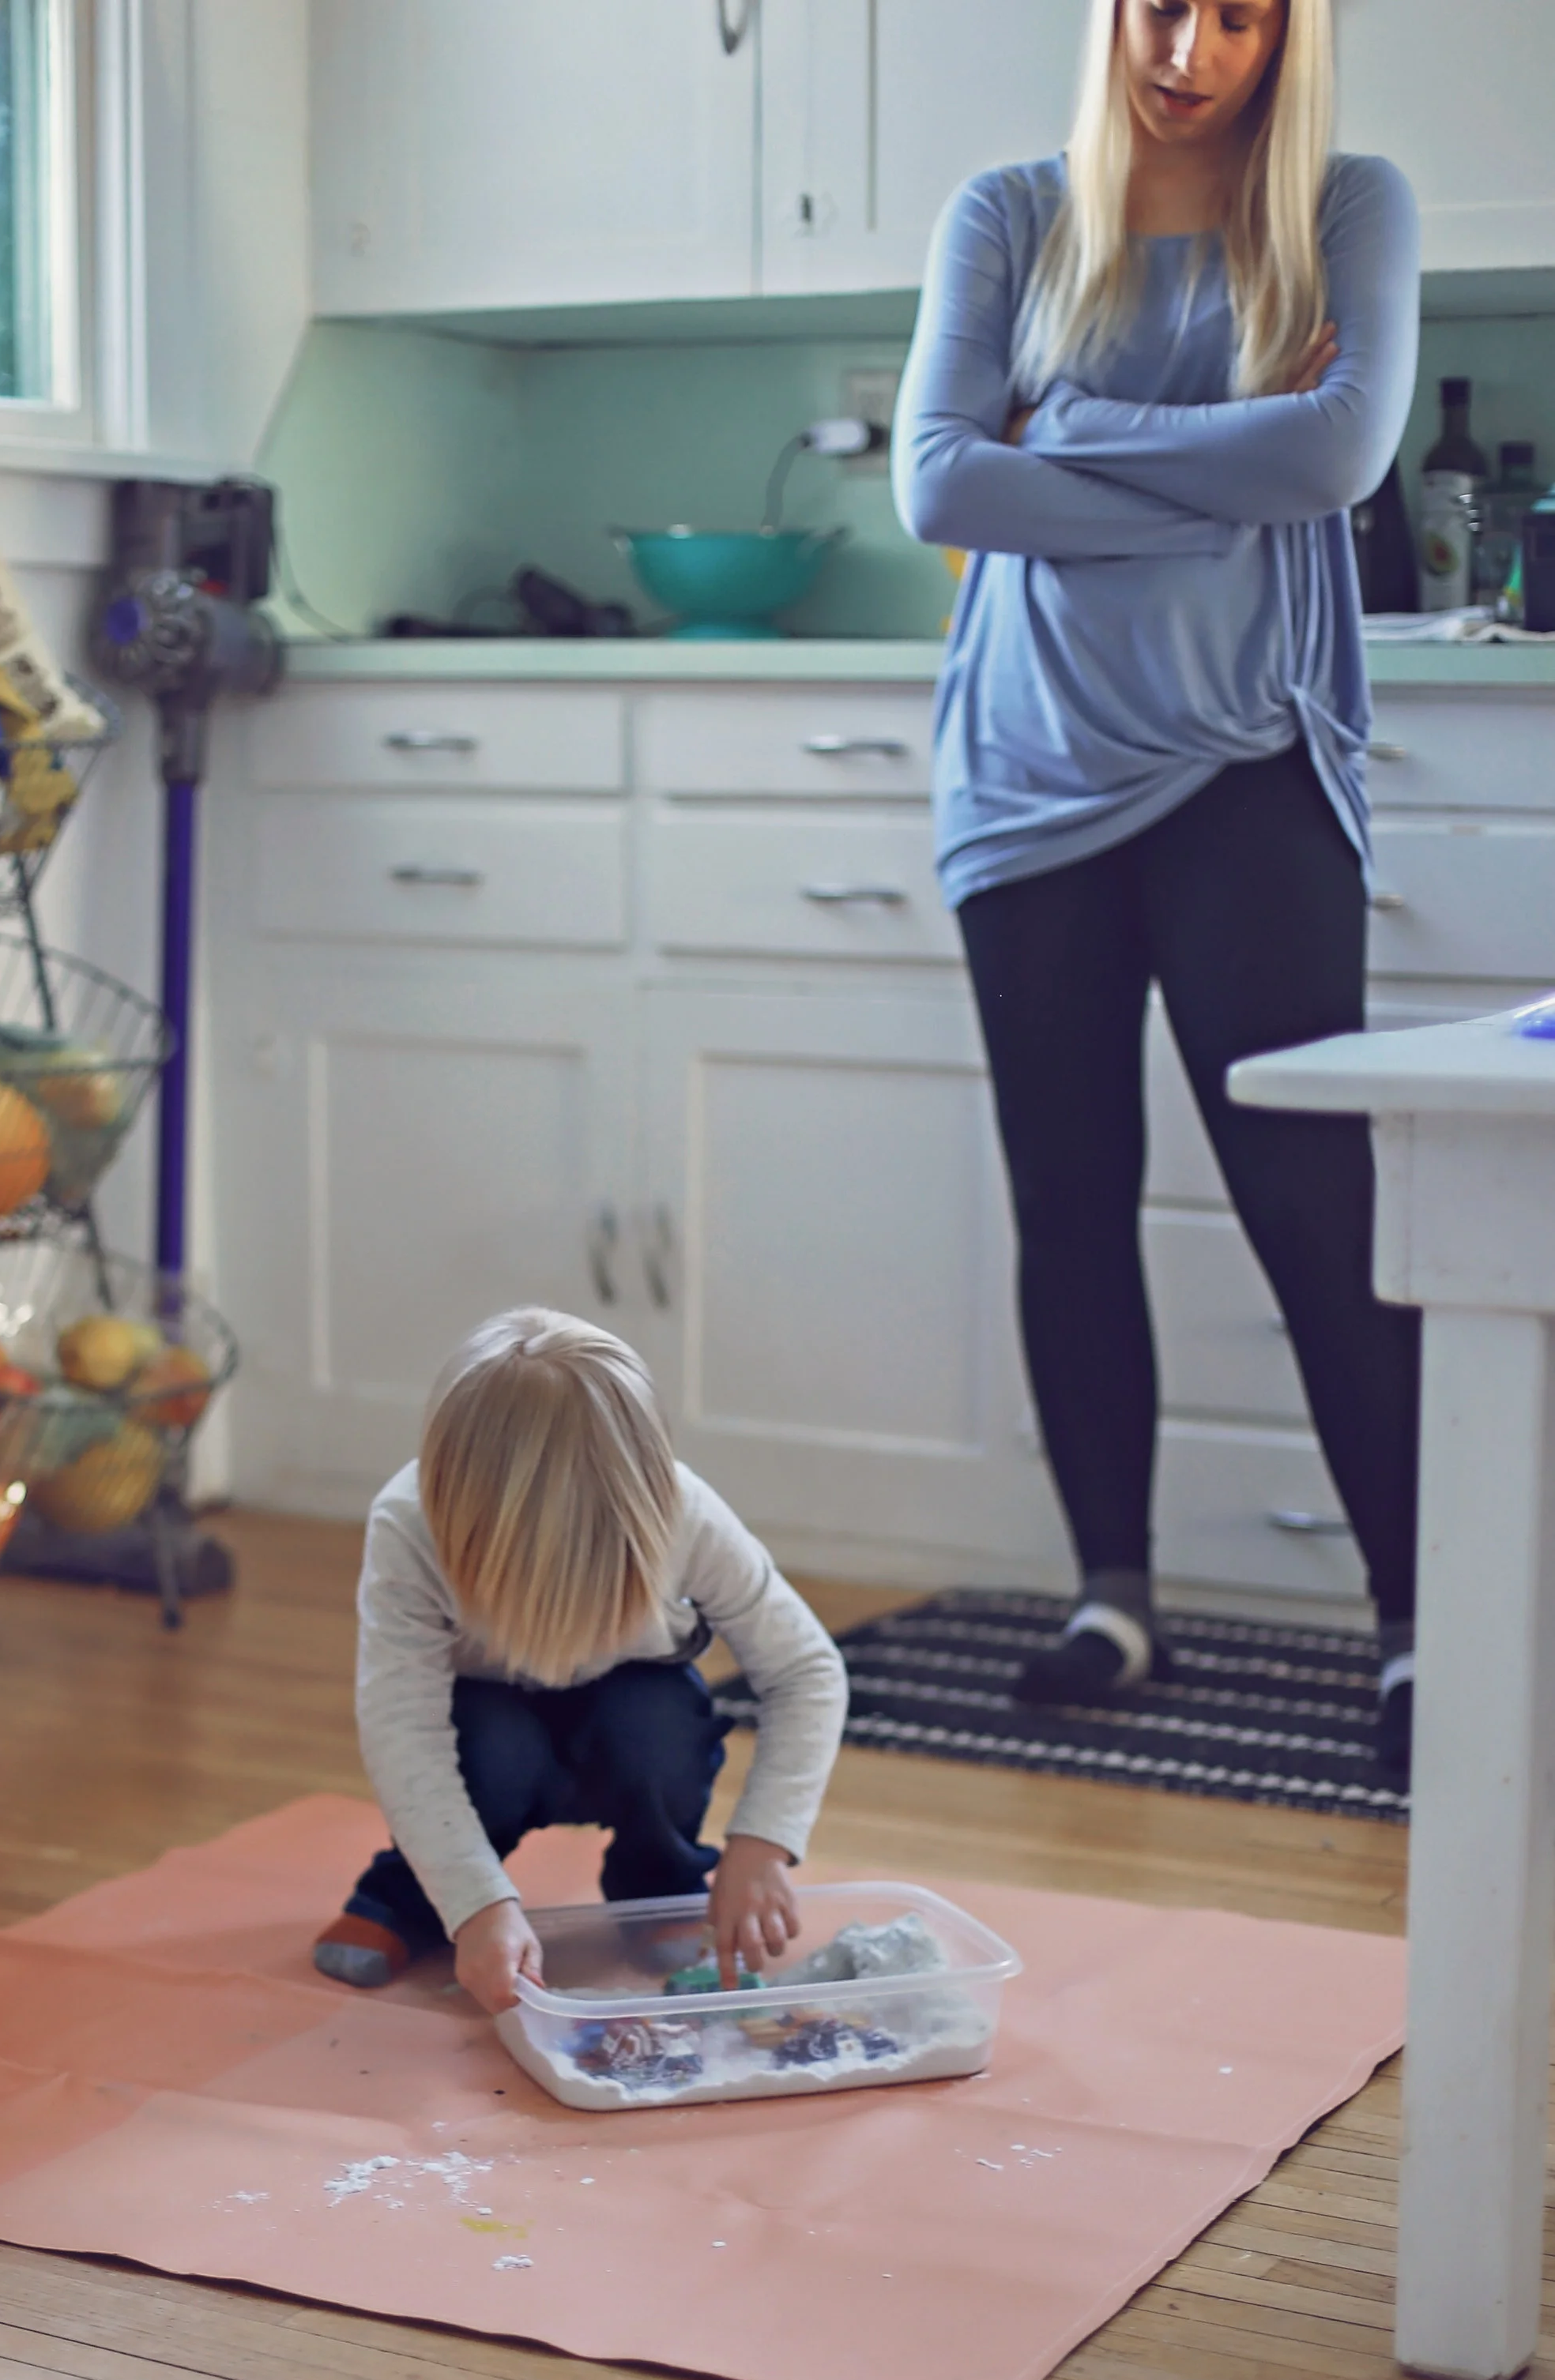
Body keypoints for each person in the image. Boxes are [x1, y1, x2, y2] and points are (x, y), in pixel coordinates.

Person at [894, 0, 1422, 1772]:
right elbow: (936, 483)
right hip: (1023, 770)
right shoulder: (1006, 214)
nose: (1186, 47)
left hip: (1246, 765)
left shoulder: (1347, 206)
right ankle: (1107, 1596)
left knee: (1315, 1211)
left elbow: (1333, 460)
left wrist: (1061, 433)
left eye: (1237, 15)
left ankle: (1417, 1623)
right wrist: (1219, 464)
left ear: (1287, 36)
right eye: (1159, 4)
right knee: (1067, 1200)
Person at [311, 1308, 849, 2012]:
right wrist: (477, 1906)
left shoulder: (686, 1514)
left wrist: (762, 1844)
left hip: (628, 1700)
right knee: (491, 1753)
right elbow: (401, 1726)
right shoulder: (410, 1525)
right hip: (486, 1714)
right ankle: (409, 1896)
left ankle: (659, 1888)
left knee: (658, 1730)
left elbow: (806, 1671)